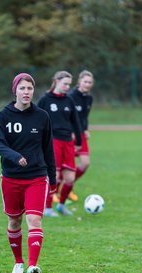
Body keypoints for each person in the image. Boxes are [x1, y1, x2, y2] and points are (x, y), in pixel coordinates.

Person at [0, 73, 56, 273]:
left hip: (37, 177)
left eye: (30, 88)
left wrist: (53, 179)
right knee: (14, 220)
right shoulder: (3, 115)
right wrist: (15, 156)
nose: (26, 92)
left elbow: (48, 150)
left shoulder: (42, 116)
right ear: (15, 91)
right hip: (11, 177)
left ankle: (32, 266)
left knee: (34, 219)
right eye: (22, 88)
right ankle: (19, 261)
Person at [37, 70, 82, 217]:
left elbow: (75, 121)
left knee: (70, 178)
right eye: (65, 84)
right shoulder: (45, 100)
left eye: (69, 84)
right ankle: (48, 208)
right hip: (52, 141)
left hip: (68, 142)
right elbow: (37, 120)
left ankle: (61, 205)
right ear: (56, 81)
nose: (67, 87)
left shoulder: (69, 100)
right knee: (53, 175)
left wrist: (79, 141)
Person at [67, 70, 94, 200]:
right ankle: (57, 192)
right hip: (70, 135)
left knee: (85, 163)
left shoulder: (89, 98)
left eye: (90, 82)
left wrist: (86, 129)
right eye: (85, 81)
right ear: (79, 82)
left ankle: (68, 186)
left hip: (81, 134)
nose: (87, 84)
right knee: (68, 166)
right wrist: (71, 131)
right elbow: (66, 116)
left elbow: (84, 117)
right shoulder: (71, 96)